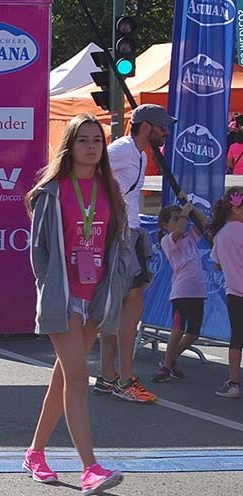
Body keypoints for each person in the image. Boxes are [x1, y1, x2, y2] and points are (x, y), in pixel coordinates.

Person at [24, 114, 127, 496]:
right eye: (83, 140)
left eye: (97, 141)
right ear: (69, 145)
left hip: (94, 294)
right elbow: (40, 250)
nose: (91, 147)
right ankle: (90, 467)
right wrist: (50, 290)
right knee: (79, 376)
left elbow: (116, 241)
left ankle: (35, 453)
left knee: (64, 377)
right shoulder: (53, 190)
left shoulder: (110, 189)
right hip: (62, 296)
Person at [95, 104, 174, 403]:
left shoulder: (140, 153)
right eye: (161, 126)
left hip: (131, 233)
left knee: (123, 304)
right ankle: (124, 379)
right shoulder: (123, 149)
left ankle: (108, 376)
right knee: (130, 303)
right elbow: (90, 166)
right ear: (145, 127)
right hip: (121, 233)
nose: (165, 131)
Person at [152, 199, 209, 383]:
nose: (179, 221)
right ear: (165, 224)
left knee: (193, 333)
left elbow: (205, 223)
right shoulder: (168, 240)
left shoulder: (190, 237)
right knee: (178, 329)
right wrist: (184, 214)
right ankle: (166, 367)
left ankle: (169, 360)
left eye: (180, 218)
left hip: (198, 291)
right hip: (182, 291)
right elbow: (179, 231)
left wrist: (191, 210)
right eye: (174, 219)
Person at [209, 187, 243, 399]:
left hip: (234, 292)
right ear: (237, 209)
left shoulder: (220, 235)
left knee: (236, 338)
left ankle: (233, 384)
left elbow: (217, 264)